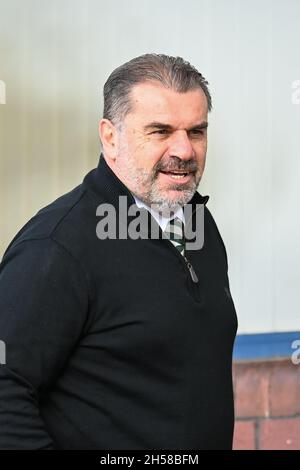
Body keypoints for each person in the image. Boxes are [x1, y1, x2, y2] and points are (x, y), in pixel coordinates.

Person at [0, 54, 237, 450]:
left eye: (196, 132)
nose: (185, 150)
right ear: (110, 137)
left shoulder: (198, 224)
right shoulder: (56, 248)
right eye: (160, 131)